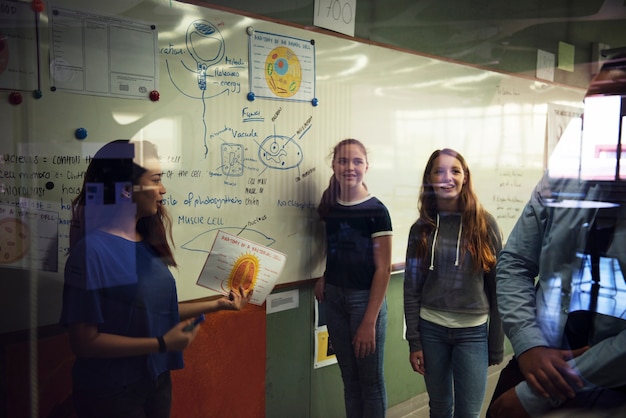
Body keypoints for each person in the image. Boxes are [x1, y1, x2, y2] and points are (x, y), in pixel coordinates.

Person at [60, 139, 252, 418]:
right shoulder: (92, 252)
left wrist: (216, 305)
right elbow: (83, 342)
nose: (163, 190)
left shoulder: (146, 240)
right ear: (127, 190)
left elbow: (151, 312)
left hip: (156, 380)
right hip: (111, 392)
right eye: (156, 180)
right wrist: (161, 343)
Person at [487, 55, 626, 417]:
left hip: (611, 382)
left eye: (612, 105)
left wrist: (541, 393)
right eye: (589, 105)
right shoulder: (563, 178)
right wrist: (530, 346)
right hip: (540, 358)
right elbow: (515, 262)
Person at [403, 148, 504, 418]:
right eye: (439, 171)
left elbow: (498, 289)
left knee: (468, 412)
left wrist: (496, 342)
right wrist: (414, 342)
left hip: (472, 333)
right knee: (439, 408)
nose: (447, 177)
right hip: (431, 330)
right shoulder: (421, 228)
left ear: (465, 177)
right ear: (430, 179)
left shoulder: (485, 224)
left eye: (455, 171)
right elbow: (411, 289)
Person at [314, 138, 393, 418]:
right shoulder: (331, 207)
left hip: (365, 302)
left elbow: (383, 269)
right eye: (343, 161)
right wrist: (325, 275)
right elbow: (338, 249)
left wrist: (369, 322)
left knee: (370, 383)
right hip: (334, 298)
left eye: (357, 161)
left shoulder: (376, 210)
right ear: (334, 165)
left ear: (367, 167)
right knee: (349, 380)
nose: (350, 167)